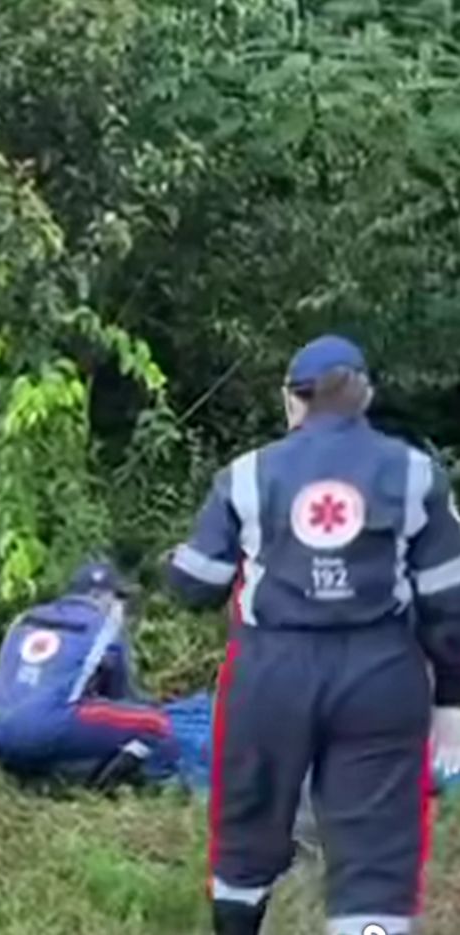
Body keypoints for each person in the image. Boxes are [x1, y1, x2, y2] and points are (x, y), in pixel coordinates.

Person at [165, 334, 460, 935]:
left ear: (291, 401)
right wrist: (450, 701)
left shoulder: (245, 475)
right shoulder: (415, 475)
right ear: (364, 397)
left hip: (268, 674)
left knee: (247, 827)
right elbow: (448, 604)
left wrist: (172, 564)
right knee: (376, 855)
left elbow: (197, 584)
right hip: (380, 675)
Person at [0, 560, 182, 791]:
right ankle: (117, 786)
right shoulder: (105, 626)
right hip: (45, 727)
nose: (122, 607)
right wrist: (154, 704)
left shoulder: (26, 618)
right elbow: (122, 695)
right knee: (156, 723)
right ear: (104, 597)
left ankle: (40, 775)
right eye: (120, 599)